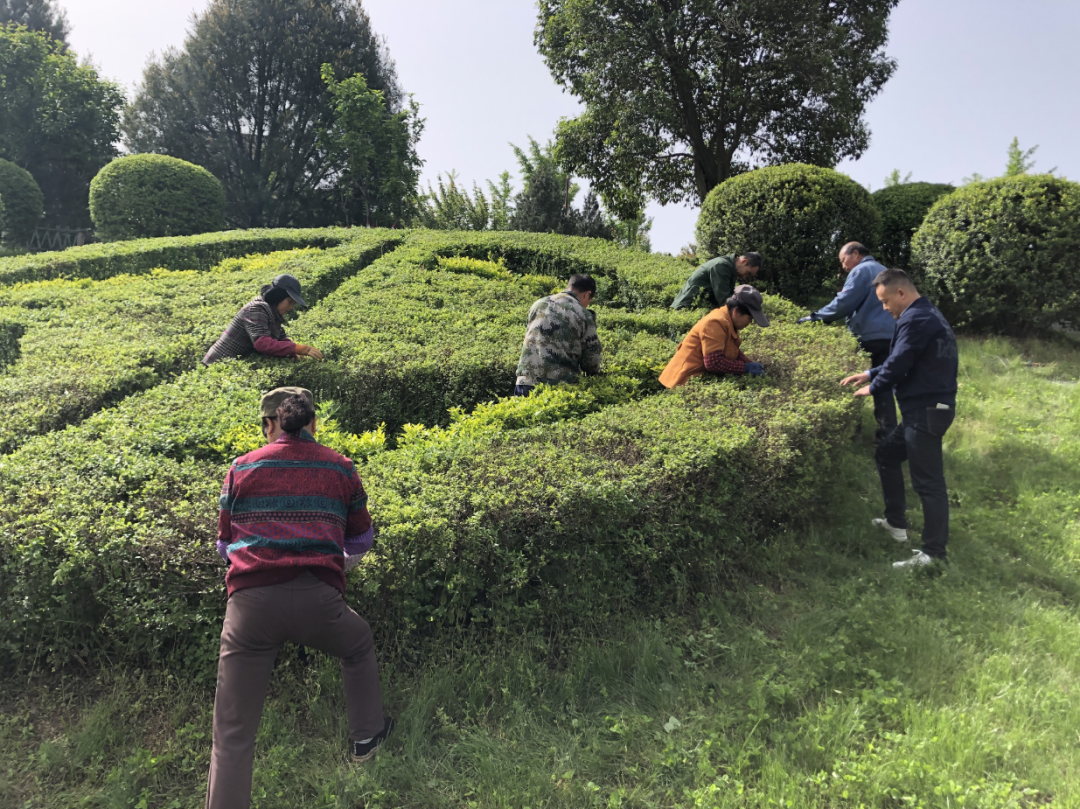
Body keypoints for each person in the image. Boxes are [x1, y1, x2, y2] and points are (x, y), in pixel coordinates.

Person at [206, 387, 392, 809]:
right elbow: (362, 538)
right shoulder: (340, 467)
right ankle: (367, 739)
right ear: (313, 423)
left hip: (249, 608)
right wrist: (334, 565)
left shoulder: (241, 468)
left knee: (232, 732)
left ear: (270, 424)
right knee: (358, 642)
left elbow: (224, 545)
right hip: (319, 601)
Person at [840, 269, 958, 570]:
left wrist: (873, 387)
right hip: (924, 409)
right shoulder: (925, 313)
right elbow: (902, 359)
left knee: (929, 484)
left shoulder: (916, 319)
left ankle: (934, 556)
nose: (884, 308)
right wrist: (868, 373)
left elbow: (901, 362)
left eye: (884, 301)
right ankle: (896, 524)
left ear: (901, 293)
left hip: (927, 411)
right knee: (887, 455)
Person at [799, 242, 897, 440]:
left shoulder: (862, 270)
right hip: (890, 335)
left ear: (856, 253)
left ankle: (853, 431)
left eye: (844, 260)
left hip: (867, 335)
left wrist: (815, 317)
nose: (843, 266)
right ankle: (887, 436)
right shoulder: (885, 271)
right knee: (883, 382)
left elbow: (844, 303)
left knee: (852, 380)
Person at [659, 284, 769, 389]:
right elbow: (714, 363)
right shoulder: (714, 323)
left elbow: (730, 349)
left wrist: (749, 363)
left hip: (697, 379)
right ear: (736, 311)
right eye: (749, 318)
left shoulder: (729, 321)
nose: (750, 323)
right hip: (681, 382)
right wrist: (745, 368)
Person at [203, 273, 325, 365]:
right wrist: (299, 348)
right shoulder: (257, 308)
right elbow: (262, 343)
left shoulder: (273, 311)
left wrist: (293, 352)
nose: (291, 307)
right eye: (289, 302)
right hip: (215, 363)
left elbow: (280, 338)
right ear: (278, 296)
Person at [514, 273, 602, 396]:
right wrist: (596, 376)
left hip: (525, 381)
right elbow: (591, 358)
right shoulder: (582, 313)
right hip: (558, 385)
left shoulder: (539, 304)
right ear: (587, 294)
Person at [670, 251, 762, 310]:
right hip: (685, 309)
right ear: (744, 261)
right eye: (748, 273)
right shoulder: (722, 266)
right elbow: (724, 300)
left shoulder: (729, 270)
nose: (745, 277)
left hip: (694, 309)